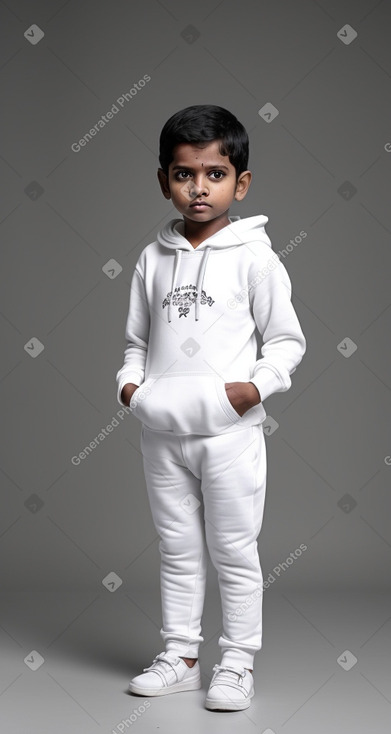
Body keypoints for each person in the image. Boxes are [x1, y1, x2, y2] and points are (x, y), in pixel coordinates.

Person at [115, 104, 306, 711]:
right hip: (161, 429)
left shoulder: (255, 257)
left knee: (233, 547)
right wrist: (130, 386)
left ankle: (238, 663)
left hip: (228, 433)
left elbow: (286, 340)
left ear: (239, 182)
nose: (199, 188)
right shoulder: (152, 258)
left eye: (215, 174)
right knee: (176, 547)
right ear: (164, 180)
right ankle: (181, 656)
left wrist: (251, 390)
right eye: (183, 174)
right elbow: (136, 342)